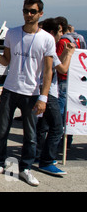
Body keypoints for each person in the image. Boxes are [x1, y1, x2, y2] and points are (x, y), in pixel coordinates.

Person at [0, 0, 55, 186]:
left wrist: (43, 97)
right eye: (26, 10)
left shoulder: (47, 39)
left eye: (33, 11)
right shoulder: (12, 34)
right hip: (10, 89)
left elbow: (48, 71)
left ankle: (25, 168)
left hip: (32, 93)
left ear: (40, 14)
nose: (28, 14)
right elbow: (6, 61)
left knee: (30, 136)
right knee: (1, 131)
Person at [36, 18, 75, 176]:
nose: (62, 34)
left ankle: (38, 154)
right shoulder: (49, 47)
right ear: (52, 33)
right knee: (57, 128)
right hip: (48, 92)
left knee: (42, 126)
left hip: (37, 89)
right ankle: (46, 161)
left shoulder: (40, 44)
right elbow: (63, 69)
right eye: (60, 32)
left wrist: (65, 52)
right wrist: (70, 54)